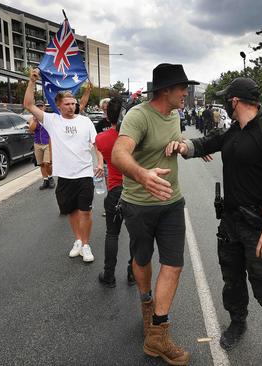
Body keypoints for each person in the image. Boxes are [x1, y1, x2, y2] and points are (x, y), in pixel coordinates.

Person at [166, 77, 262, 366]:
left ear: (236, 101)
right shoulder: (232, 132)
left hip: (259, 227)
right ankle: (237, 321)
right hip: (230, 223)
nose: (228, 102)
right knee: (232, 281)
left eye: (229, 98)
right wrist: (180, 145)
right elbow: (203, 143)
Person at [112, 63, 198, 365]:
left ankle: (159, 333)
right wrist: (142, 175)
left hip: (172, 202)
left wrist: (185, 146)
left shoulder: (174, 115)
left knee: (173, 264)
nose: (186, 93)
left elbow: (172, 143)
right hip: (139, 204)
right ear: (165, 90)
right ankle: (146, 302)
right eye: (182, 88)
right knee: (143, 258)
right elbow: (119, 153)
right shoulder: (138, 115)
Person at [23, 68, 104, 262]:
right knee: (72, 211)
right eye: (67, 104)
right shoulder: (52, 120)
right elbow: (28, 104)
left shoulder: (85, 122)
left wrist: (100, 162)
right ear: (59, 106)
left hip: (84, 174)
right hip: (65, 176)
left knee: (86, 211)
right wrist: (32, 82)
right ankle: (77, 240)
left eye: (73, 104)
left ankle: (86, 244)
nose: (71, 107)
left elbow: (96, 145)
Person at [95, 96, 136, 288]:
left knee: (112, 234)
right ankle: (133, 273)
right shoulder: (137, 138)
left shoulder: (101, 139)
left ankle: (109, 275)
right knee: (137, 236)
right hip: (135, 190)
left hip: (114, 190)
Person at [28, 99, 55, 190]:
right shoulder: (32, 118)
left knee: (47, 163)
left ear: (44, 107)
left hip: (48, 143)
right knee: (41, 164)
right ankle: (45, 180)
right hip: (37, 143)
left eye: (41, 106)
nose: (39, 108)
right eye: (37, 106)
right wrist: (35, 120)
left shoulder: (49, 117)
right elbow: (31, 130)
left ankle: (50, 177)